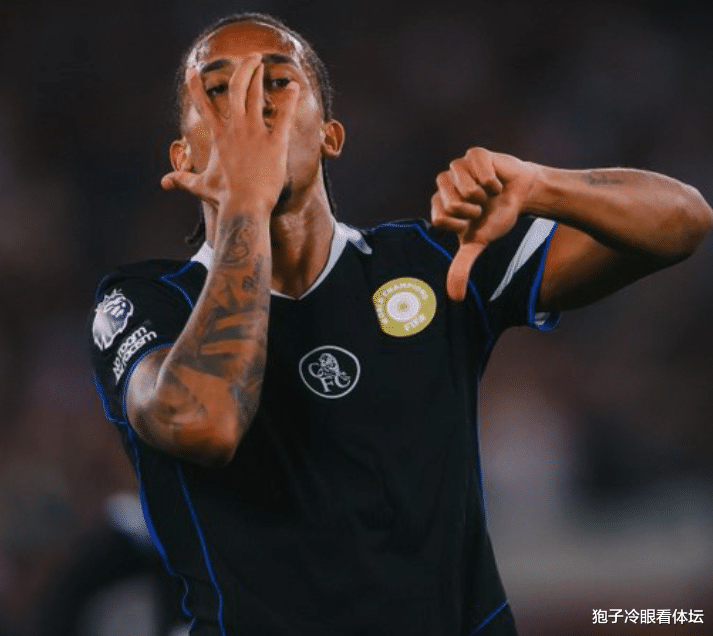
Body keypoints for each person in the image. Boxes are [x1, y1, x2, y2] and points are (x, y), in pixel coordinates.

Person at [88, 12, 712, 636]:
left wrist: (543, 185)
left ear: (330, 136)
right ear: (185, 155)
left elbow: (682, 222)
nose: (255, 111)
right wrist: (246, 203)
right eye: (220, 90)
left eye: (277, 81)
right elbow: (205, 422)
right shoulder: (144, 303)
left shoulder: (434, 261)